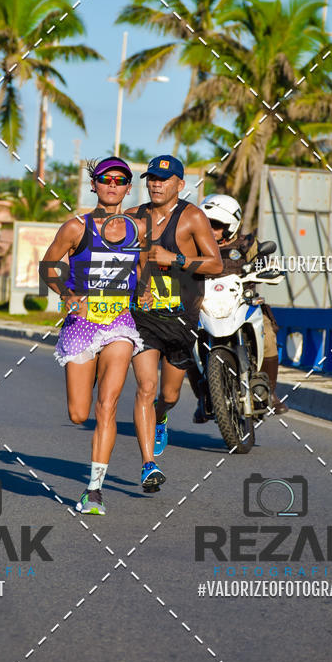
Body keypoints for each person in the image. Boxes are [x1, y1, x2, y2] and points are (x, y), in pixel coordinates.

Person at [42, 156, 158, 515]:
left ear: (128, 188)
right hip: (82, 325)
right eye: (106, 179)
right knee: (79, 413)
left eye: (120, 180)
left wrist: (144, 291)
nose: (112, 185)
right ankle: (86, 377)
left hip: (119, 324)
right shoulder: (76, 228)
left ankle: (94, 491)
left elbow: (144, 267)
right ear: (94, 185)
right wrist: (66, 294)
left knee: (107, 404)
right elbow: (49, 265)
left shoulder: (139, 229)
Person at [128, 155, 224, 460]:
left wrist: (176, 259)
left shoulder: (192, 217)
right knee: (146, 387)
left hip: (181, 320)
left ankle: (161, 416)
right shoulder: (132, 217)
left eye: (164, 180)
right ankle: (148, 464)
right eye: (152, 179)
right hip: (143, 319)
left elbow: (216, 265)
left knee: (168, 395)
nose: (156, 185)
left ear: (180, 184)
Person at [188, 194, 288, 419]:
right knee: (186, 341)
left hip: (242, 302)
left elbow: (264, 261)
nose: (210, 229)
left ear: (230, 226)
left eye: (216, 225)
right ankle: (202, 397)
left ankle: (269, 392)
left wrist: (267, 268)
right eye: (206, 223)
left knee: (268, 335)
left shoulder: (247, 244)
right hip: (204, 305)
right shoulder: (193, 246)